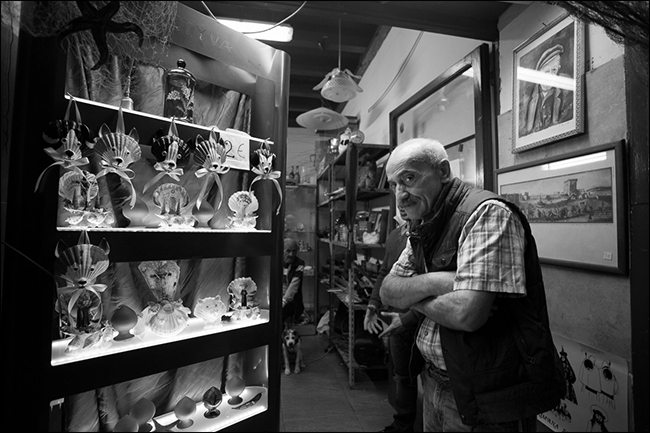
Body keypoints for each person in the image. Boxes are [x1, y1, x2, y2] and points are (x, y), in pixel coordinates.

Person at [380, 138, 565, 432]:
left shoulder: (487, 214)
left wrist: (411, 293)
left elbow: (467, 315)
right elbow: (388, 290)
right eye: (394, 185)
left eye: (409, 178)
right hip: (435, 382)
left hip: (490, 394)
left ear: (442, 171)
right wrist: (440, 281)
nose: (400, 194)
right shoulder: (424, 222)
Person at [364, 208, 424, 433]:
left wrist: (410, 317)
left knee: (434, 380)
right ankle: (403, 425)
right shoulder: (395, 236)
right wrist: (373, 304)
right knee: (403, 376)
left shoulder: (430, 235)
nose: (405, 211)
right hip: (396, 320)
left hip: (425, 319)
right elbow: (384, 272)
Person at [519, 43, 574, 137]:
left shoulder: (566, 92)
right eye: (546, 72)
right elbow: (523, 131)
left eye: (554, 70)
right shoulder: (527, 97)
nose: (550, 76)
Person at [282, 237, 305, 328]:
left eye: (294, 251)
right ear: (282, 250)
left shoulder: (299, 263)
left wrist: (283, 301)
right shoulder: (276, 261)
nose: (291, 254)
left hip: (290, 301)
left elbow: (294, 285)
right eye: (288, 251)